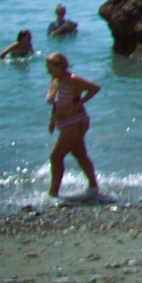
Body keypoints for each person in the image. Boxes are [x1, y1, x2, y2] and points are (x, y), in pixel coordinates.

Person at [45, 52, 100, 198]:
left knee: (55, 157)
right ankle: (94, 186)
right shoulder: (55, 79)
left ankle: (53, 194)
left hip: (76, 122)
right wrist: (52, 121)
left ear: (60, 66)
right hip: (64, 124)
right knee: (80, 155)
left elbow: (95, 87)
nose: (47, 70)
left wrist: (81, 102)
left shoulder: (73, 79)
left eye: (49, 67)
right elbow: (55, 104)